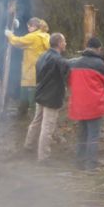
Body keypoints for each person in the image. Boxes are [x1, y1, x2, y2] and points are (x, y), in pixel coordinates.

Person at [67, 36, 104, 169]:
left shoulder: (74, 64)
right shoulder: (100, 65)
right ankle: (91, 165)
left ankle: (79, 162)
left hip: (78, 105)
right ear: (99, 49)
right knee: (93, 136)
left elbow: (69, 81)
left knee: (82, 135)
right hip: (94, 105)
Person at [26, 32, 69, 162]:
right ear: (59, 43)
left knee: (36, 121)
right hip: (52, 97)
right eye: (64, 41)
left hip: (40, 93)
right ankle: (43, 157)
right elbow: (67, 77)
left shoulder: (42, 56)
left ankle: (28, 145)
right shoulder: (59, 60)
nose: (66, 43)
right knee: (47, 127)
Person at [0, 0, 33, 106]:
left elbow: (19, 7)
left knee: (14, 61)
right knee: (6, 59)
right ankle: (10, 90)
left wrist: (16, 20)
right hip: (11, 30)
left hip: (19, 30)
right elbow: (8, 10)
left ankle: (15, 92)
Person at [4, 18, 51, 122]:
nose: (28, 28)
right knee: (28, 91)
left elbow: (18, 42)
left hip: (31, 70)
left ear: (34, 26)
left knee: (31, 94)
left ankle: (33, 117)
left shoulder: (33, 37)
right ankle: (23, 112)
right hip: (41, 69)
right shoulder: (45, 35)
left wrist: (10, 35)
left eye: (29, 26)